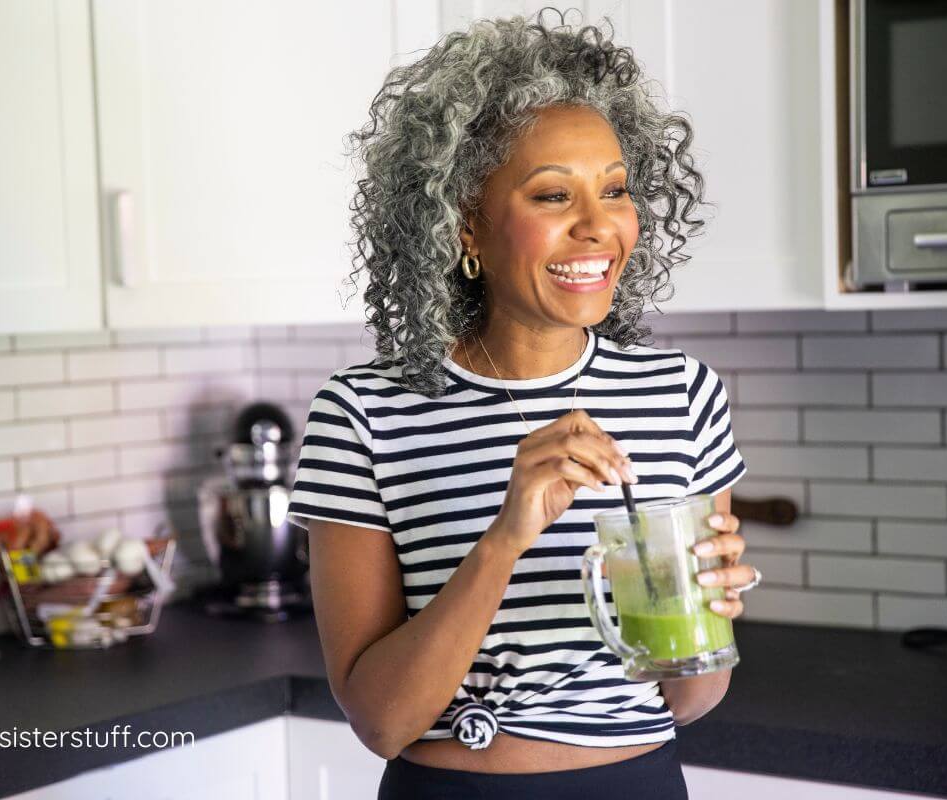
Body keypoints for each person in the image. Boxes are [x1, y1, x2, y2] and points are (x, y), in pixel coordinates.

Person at [286, 8, 760, 798]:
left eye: (614, 189)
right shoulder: (365, 414)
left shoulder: (682, 395)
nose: (598, 226)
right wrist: (506, 537)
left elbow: (689, 698)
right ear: (464, 224)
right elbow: (381, 721)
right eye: (551, 196)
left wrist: (708, 614)